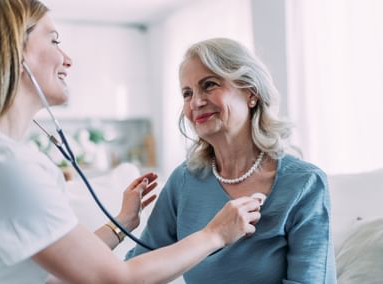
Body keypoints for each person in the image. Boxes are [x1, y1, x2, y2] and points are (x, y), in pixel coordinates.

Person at [0, 2, 262, 283]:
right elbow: (115, 279)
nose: (67, 59)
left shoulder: (2, 159)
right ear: (16, 52)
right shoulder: (6, 168)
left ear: (252, 95)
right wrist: (214, 234)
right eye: (54, 41)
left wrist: (122, 223)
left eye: (210, 85)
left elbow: (58, 276)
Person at [126, 38, 337, 283]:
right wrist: (121, 223)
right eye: (187, 93)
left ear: (251, 93)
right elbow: (133, 271)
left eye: (209, 85)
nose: (196, 102)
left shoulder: (304, 183)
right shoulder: (183, 181)